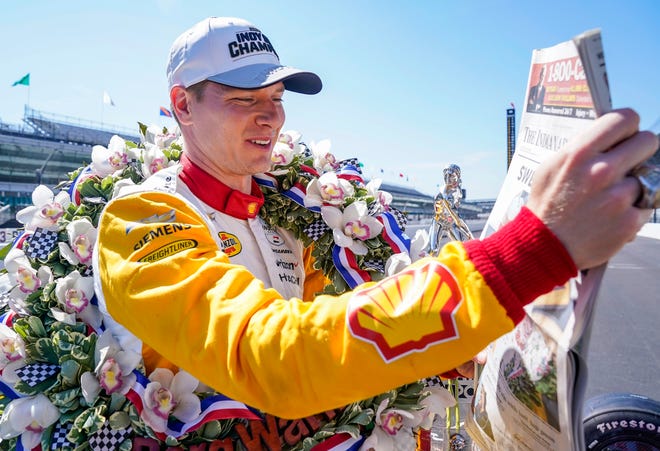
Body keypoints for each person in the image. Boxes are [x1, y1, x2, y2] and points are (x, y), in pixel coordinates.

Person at [92, 16, 658, 448]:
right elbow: (276, 358)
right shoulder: (142, 218)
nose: (271, 117)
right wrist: (529, 252)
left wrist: (434, 348)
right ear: (181, 107)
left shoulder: (285, 209)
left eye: (277, 99)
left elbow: (335, 322)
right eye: (243, 100)